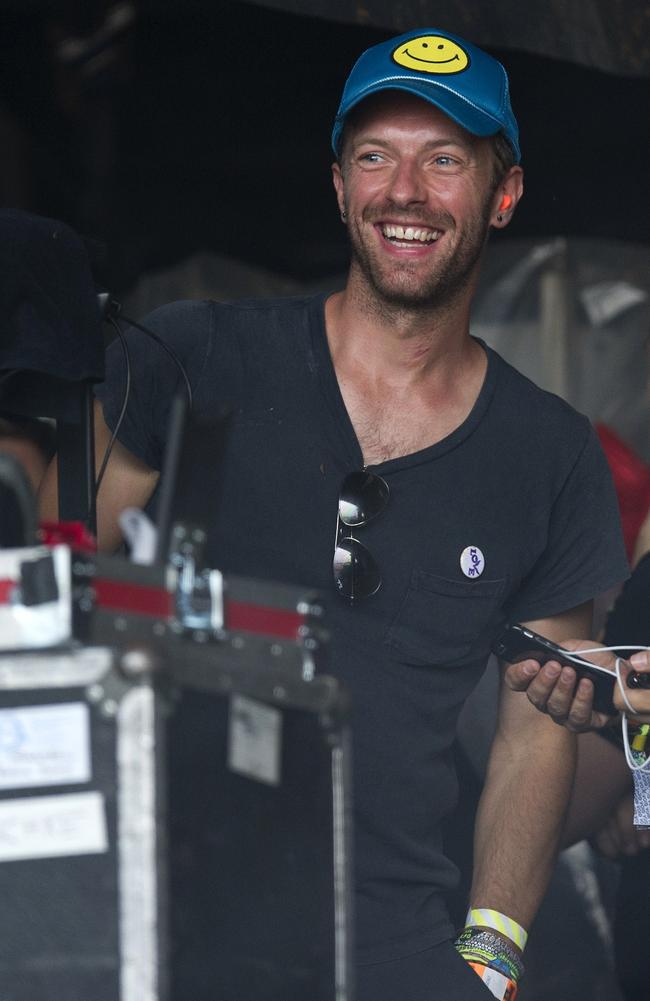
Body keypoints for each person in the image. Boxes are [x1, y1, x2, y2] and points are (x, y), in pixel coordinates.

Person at [40, 27, 629, 1001]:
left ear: (502, 194)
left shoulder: (550, 454)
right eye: (374, 156)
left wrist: (490, 955)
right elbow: (52, 590)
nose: (404, 190)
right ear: (337, 183)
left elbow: (535, 730)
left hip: (387, 936)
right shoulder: (193, 358)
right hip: (159, 913)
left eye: (443, 159)